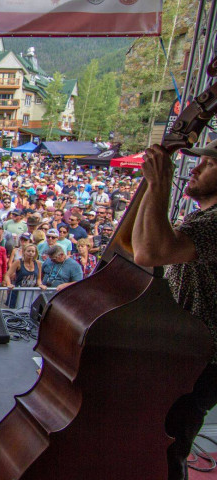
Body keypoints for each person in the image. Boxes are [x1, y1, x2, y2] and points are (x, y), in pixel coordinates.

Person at [133, 141, 217, 480]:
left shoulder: (214, 223)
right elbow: (141, 249)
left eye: (208, 164)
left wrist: (159, 184)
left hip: (201, 357)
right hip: (185, 350)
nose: (194, 169)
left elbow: (152, 252)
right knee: (163, 440)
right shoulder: (203, 217)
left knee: (168, 446)